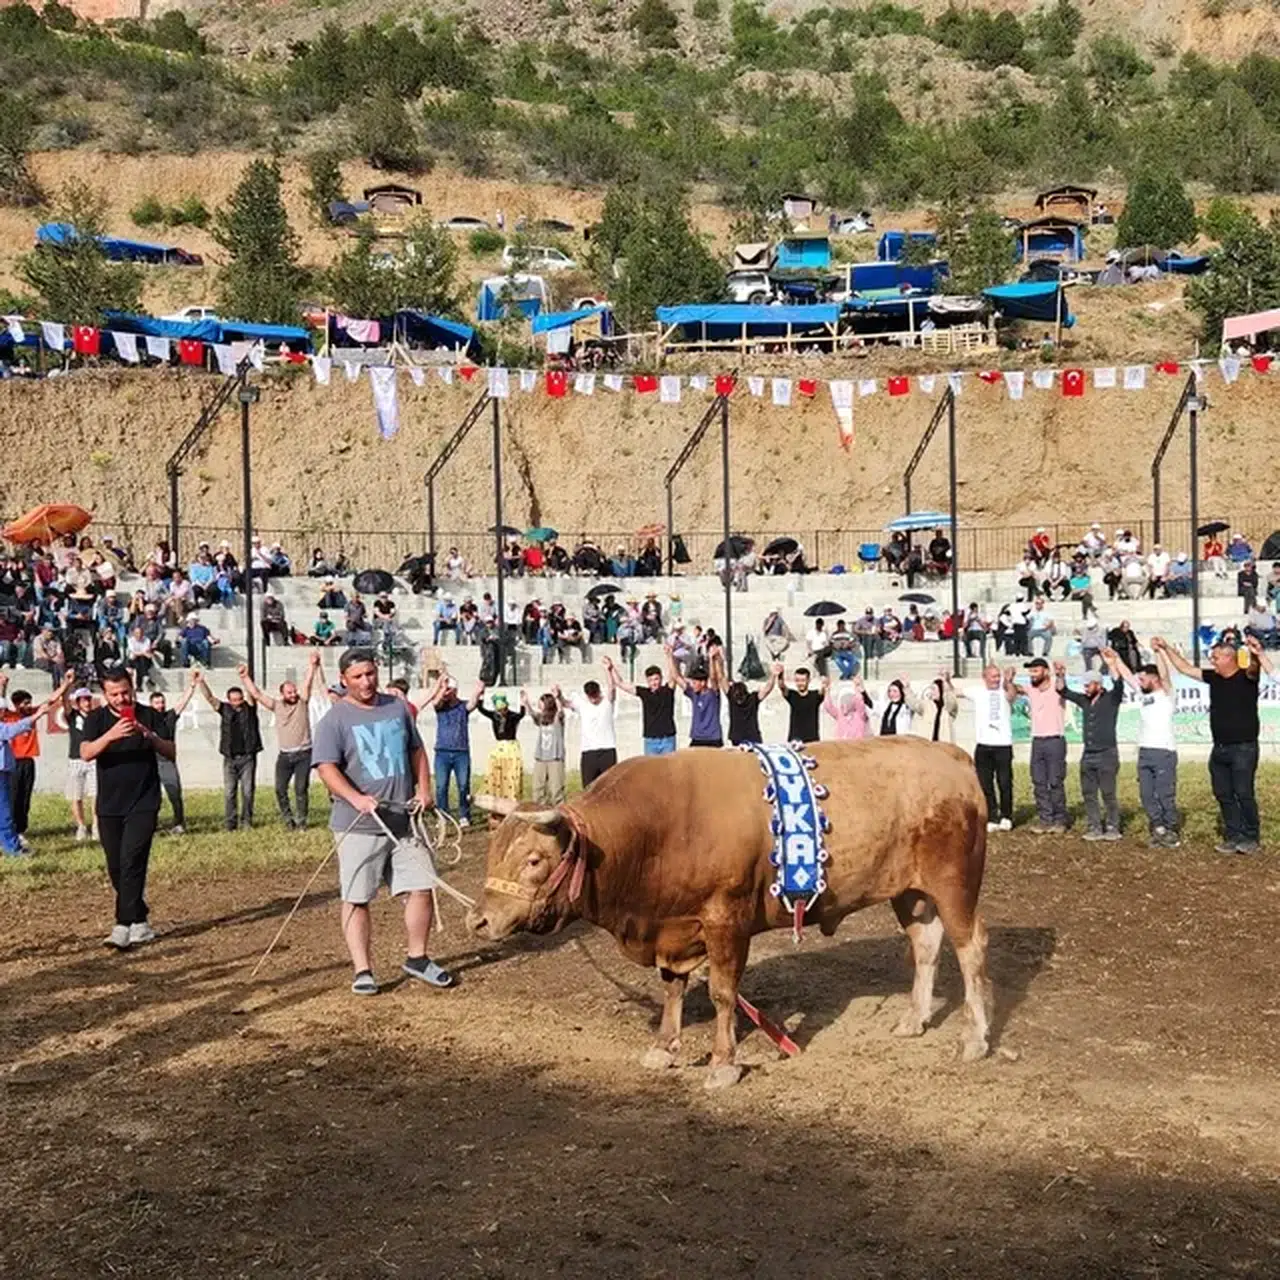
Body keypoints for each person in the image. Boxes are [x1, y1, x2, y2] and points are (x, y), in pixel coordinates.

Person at [313, 647, 453, 996]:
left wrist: (424, 789)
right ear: (344, 680)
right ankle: (363, 969)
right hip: (358, 824)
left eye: (370, 674)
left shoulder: (396, 707)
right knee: (357, 897)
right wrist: (355, 797)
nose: (366, 682)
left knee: (422, 887)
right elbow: (326, 768)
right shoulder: (334, 720)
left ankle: (417, 957)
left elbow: (416, 751)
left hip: (406, 819)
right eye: (358, 677)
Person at [80, 667, 174, 948]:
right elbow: (86, 753)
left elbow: (171, 751)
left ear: (132, 688)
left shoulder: (150, 715)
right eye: (114, 694)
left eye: (125, 692)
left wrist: (150, 736)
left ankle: (122, 924)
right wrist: (110, 735)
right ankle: (140, 919)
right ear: (104, 694)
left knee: (133, 859)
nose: (121, 699)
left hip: (144, 800)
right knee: (116, 866)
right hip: (109, 803)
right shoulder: (96, 719)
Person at [1158, 633, 1272, 854]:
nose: (1212, 661)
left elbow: (1255, 665)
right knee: (1223, 793)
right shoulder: (1214, 677)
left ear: (1230, 658)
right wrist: (1166, 647)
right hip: (1219, 748)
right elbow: (1184, 668)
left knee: (1243, 792)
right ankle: (1233, 835)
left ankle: (1251, 836)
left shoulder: (1247, 676)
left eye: (1216, 657)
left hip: (1244, 748)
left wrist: (1256, 651)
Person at [239, 652, 322, 830]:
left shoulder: (302, 702)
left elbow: (307, 683)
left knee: (301, 789)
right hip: (285, 755)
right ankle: (288, 820)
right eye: (289, 692)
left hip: (304, 753)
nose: (293, 694)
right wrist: (245, 677)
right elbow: (256, 694)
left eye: (294, 691)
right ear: (282, 694)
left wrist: (312, 666)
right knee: (279, 789)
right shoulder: (276, 705)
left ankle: (302, 822)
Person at [1107, 642, 1179, 847]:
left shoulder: (1166, 695)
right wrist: (1115, 659)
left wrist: (1158, 652)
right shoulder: (1144, 696)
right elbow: (1128, 676)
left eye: (1143, 677)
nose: (1139, 681)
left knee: (1165, 793)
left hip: (1164, 751)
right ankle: (1158, 828)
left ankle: (1171, 828)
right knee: (1146, 794)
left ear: (1154, 679)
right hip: (1145, 752)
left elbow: (1165, 675)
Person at [0, 675, 70, 856]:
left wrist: (65, 685)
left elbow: (51, 701)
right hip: (13, 761)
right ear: (15, 704)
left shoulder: (31, 714)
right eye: (24, 703)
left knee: (24, 798)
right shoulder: (9, 717)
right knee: (10, 801)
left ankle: (20, 830)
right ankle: (12, 837)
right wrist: (3, 686)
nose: (28, 706)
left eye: (29, 702)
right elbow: (3, 707)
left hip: (26, 761)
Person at [1056, 661, 1123, 841]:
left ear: (1099, 685)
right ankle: (1094, 826)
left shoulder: (1111, 699)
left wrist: (1112, 664)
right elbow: (1063, 691)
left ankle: (1112, 825)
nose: (1085, 689)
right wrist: (1060, 675)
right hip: (1089, 754)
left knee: (1108, 793)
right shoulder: (1084, 700)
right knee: (1089, 792)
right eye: (1084, 685)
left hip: (1107, 753)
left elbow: (1119, 683)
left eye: (1088, 685)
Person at [196, 670, 263, 831]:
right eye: (234, 700)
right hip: (230, 757)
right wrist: (201, 682)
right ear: (229, 700)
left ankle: (246, 821)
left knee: (247, 791)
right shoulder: (224, 709)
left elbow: (253, 694)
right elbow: (210, 698)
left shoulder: (250, 709)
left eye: (239, 699)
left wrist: (245, 677)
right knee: (229, 793)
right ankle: (230, 823)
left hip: (247, 757)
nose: (237, 703)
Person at [425, 667, 483, 828]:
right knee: (441, 786)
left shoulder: (462, 706)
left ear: (455, 690)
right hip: (442, 752)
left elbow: (472, 703)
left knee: (463, 785)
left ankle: (464, 814)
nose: (446, 692)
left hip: (461, 753)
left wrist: (478, 691)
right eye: (446, 689)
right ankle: (443, 815)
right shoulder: (440, 707)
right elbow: (435, 702)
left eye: (449, 689)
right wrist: (442, 687)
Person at [147, 675, 200, 836]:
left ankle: (179, 823)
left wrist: (191, 686)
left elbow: (182, 702)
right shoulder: (147, 718)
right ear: (151, 704)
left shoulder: (170, 716)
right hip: (150, 761)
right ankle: (151, 825)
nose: (160, 705)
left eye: (162, 702)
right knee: (151, 797)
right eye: (157, 703)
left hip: (167, 761)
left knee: (174, 794)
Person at [1023, 656, 1068, 834]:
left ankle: (1060, 819)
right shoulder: (1032, 690)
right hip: (1038, 740)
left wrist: (1061, 675)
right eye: (1031, 671)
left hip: (1055, 740)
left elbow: (1062, 687)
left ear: (1046, 672)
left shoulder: (1056, 689)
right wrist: (1008, 681)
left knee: (1055, 781)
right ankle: (1045, 818)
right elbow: (1014, 690)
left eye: (1036, 670)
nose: (1033, 675)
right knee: (1039, 782)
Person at [973, 664, 1017, 832]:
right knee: (985, 783)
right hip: (983, 745)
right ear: (984, 677)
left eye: (998, 676)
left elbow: (1012, 696)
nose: (996, 679)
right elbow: (957, 692)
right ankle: (991, 816)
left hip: (1003, 745)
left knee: (1004, 782)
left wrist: (1009, 681)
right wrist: (946, 680)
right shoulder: (977, 691)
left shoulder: (1004, 690)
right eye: (993, 676)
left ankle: (1006, 815)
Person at [0, 675, 41, 851]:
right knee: (6, 807)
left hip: (15, 765)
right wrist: (3, 686)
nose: (28, 706)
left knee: (19, 801)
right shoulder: (7, 720)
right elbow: (11, 730)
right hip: (6, 768)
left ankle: (15, 836)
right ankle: (12, 845)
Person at [565, 667, 619, 784]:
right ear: (587, 695)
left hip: (607, 750)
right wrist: (558, 695)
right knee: (588, 788)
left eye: (595, 695)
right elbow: (567, 703)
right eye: (591, 697)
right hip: (589, 752)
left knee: (609, 786)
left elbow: (612, 688)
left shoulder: (607, 702)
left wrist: (608, 670)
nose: (594, 699)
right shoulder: (582, 705)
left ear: (599, 691)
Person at [667, 643, 725, 748]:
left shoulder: (713, 695)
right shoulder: (693, 694)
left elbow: (713, 677)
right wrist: (669, 656)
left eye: (695, 682)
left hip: (713, 738)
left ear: (703, 683)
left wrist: (712, 659)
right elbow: (676, 677)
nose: (692, 684)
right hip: (697, 738)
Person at [62, 684, 99, 841]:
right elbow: (64, 701)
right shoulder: (73, 715)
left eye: (88, 699)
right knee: (75, 795)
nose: (87, 703)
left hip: (93, 758)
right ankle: (81, 826)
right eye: (83, 700)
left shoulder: (96, 716)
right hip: (76, 759)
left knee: (96, 794)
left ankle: (96, 826)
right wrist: (68, 684)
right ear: (77, 702)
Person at [614, 662, 677, 756]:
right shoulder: (644, 693)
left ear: (661, 678)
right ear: (647, 681)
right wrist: (611, 668)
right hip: (650, 740)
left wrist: (670, 656)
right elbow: (620, 683)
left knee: (669, 769)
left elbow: (674, 676)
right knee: (650, 769)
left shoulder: (667, 691)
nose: (654, 682)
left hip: (667, 739)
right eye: (651, 680)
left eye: (656, 679)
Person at [477, 691, 525, 806]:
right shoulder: (494, 716)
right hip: (500, 746)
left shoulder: (512, 716)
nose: (501, 712)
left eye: (503, 709)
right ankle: (497, 796)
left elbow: (521, 714)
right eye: (499, 709)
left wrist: (523, 702)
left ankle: (512, 797)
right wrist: (481, 695)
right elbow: (481, 709)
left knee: (511, 772)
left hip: (511, 746)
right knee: (496, 769)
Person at [522, 688, 567, 804]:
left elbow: (561, 712)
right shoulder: (541, 719)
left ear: (547, 704)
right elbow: (532, 715)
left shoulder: (557, 719)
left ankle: (560, 814)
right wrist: (526, 703)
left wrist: (557, 697)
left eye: (541, 702)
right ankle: (539, 812)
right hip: (541, 758)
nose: (539, 704)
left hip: (555, 758)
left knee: (556, 789)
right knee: (537, 789)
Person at [726, 666, 778, 746]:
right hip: (737, 738)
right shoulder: (732, 697)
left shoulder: (753, 698)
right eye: (737, 697)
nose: (739, 701)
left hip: (752, 738)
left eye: (740, 697)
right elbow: (721, 678)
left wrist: (774, 675)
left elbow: (767, 689)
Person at [778, 664, 824, 743]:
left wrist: (824, 683)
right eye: (797, 680)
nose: (800, 683)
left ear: (808, 680)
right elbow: (782, 686)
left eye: (803, 680)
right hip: (795, 740)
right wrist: (780, 674)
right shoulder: (792, 695)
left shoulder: (815, 695)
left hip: (812, 739)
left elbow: (823, 691)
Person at [822, 675, 872, 740]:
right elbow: (828, 706)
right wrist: (827, 691)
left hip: (857, 747)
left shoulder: (860, 715)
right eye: (843, 700)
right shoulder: (839, 714)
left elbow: (859, 700)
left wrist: (857, 687)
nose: (845, 703)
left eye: (848, 699)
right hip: (841, 748)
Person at [920, 670, 960, 743]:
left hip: (944, 747)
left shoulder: (948, 708)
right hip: (929, 745)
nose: (932, 692)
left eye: (934, 689)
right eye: (931, 689)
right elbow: (915, 704)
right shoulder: (928, 705)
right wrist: (906, 689)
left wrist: (945, 683)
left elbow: (950, 701)